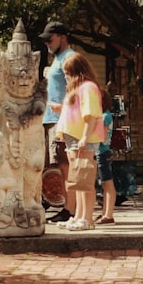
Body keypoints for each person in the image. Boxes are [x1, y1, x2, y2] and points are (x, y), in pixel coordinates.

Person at [56, 53, 105, 231]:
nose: (66, 76)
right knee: (77, 179)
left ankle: (87, 218)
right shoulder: (76, 89)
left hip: (83, 138)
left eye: (68, 72)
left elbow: (91, 115)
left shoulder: (88, 87)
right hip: (73, 138)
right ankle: (78, 216)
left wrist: (84, 137)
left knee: (85, 179)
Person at [39, 21, 77, 223]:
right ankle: (67, 206)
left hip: (62, 118)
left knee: (66, 165)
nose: (47, 43)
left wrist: (65, 108)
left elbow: (75, 87)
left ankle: (70, 209)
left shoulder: (70, 58)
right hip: (53, 118)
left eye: (50, 39)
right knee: (59, 167)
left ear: (62, 37)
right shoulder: (57, 59)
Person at [95, 101, 117, 224]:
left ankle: (108, 214)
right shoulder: (105, 115)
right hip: (101, 152)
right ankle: (105, 212)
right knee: (104, 184)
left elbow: (102, 137)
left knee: (107, 183)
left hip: (102, 152)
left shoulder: (105, 116)